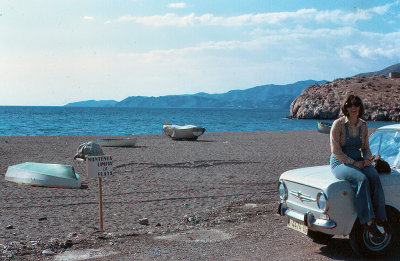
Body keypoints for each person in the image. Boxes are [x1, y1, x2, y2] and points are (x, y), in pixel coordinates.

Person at [330, 94, 391, 236]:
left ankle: (381, 218)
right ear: (345, 107)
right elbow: (335, 150)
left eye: (356, 104)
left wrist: (368, 159)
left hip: (359, 160)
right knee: (361, 179)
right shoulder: (338, 124)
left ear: (360, 107)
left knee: (374, 176)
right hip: (340, 162)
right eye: (350, 105)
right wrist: (353, 163)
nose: (353, 108)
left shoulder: (363, 125)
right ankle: (368, 221)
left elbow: (366, 148)